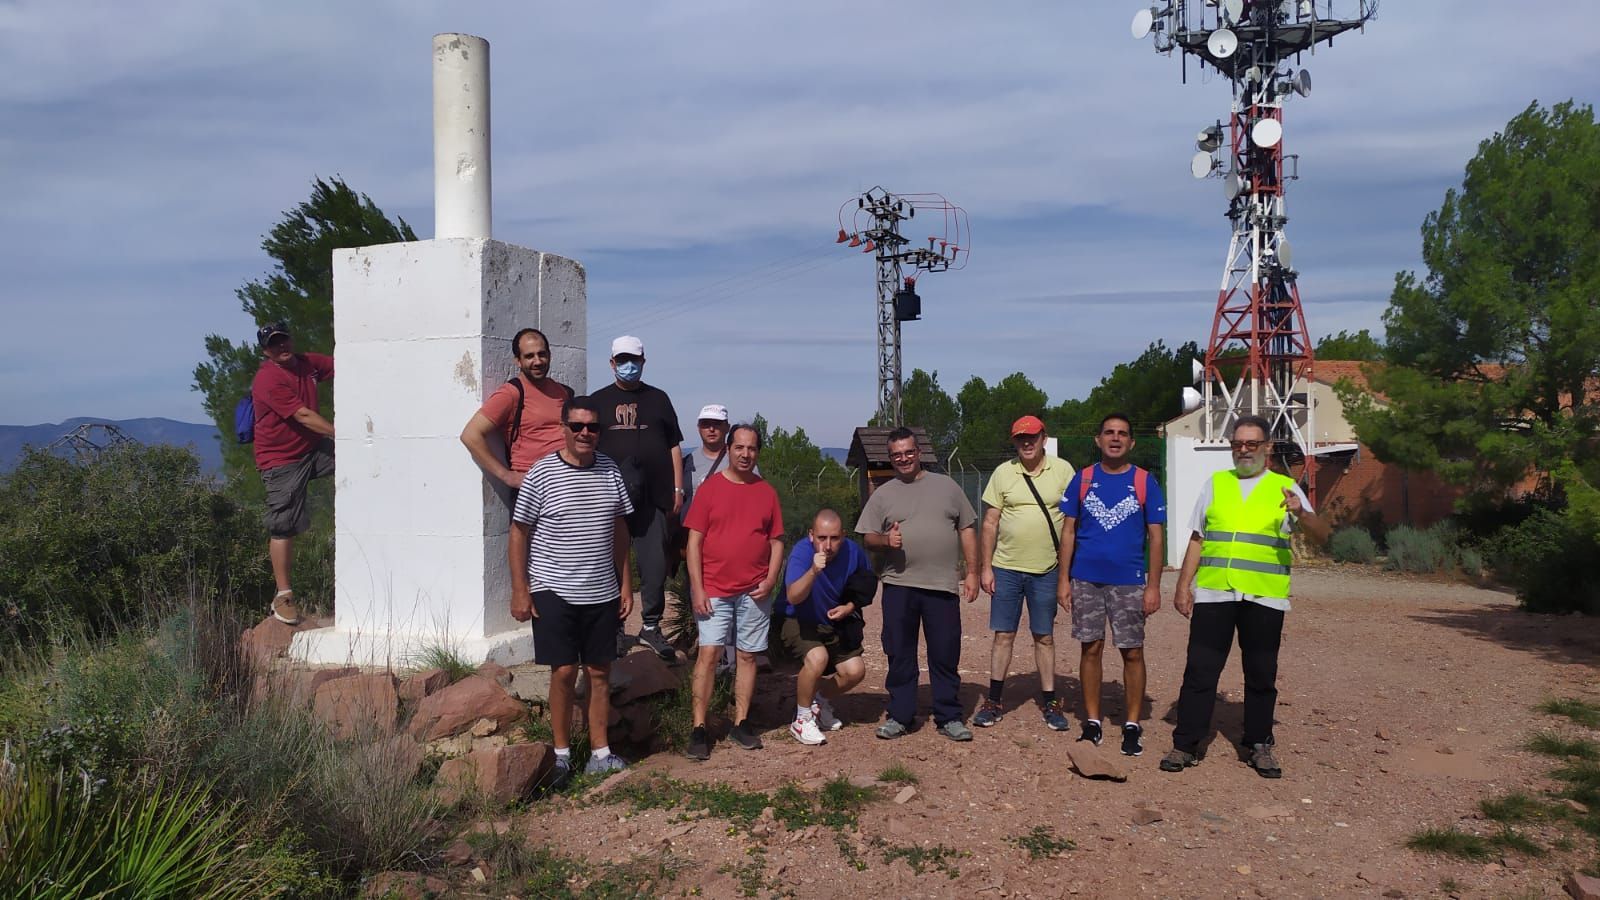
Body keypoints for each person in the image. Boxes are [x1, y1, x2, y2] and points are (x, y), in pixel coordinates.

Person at [1160, 415, 1330, 779]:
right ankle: (1186, 744)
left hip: (1264, 596)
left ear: (1267, 447)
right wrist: (1182, 586)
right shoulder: (1215, 484)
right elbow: (1198, 538)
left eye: (1252, 443)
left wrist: (1302, 512)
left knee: (1261, 673)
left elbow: (1322, 534)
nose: (1244, 450)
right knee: (1200, 670)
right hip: (1215, 592)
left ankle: (1259, 744)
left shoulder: (1285, 488)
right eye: (1237, 444)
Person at [508, 396, 634, 787]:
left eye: (592, 427)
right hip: (553, 587)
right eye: (577, 426)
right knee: (563, 671)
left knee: (599, 672)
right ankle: (561, 756)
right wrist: (520, 589)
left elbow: (619, 530)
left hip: (601, 589)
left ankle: (600, 753)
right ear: (563, 428)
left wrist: (626, 583)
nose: (585, 433)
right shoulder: (541, 473)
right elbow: (519, 532)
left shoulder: (610, 470)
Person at [857, 427, 980, 742]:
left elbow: (967, 528)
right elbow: (868, 537)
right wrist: (886, 540)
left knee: (945, 652)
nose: (903, 459)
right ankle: (900, 715)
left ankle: (949, 716)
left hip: (941, 584)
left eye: (908, 452)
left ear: (919, 452)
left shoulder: (947, 486)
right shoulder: (883, 494)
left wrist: (973, 572)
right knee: (899, 652)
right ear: (890, 458)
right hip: (900, 584)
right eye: (896, 455)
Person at [1056, 413, 1166, 757]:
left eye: (1122, 433)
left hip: (1129, 582)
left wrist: (1154, 586)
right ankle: (1093, 722)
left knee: (1132, 651)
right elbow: (1068, 531)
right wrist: (1063, 580)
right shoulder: (1083, 479)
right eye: (1109, 432)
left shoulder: (1145, 481)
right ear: (1098, 440)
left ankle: (1132, 725)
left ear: (1131, 442)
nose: (1115, 438)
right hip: (1086, 580)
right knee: (1090, 648)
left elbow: (1156, 537)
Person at [683, 424, 785, 760]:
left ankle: (741, 721)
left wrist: (770, 580)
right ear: (728, 449)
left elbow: (776, 541)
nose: (745, 454)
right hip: (714, 588)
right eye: (739, 447)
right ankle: (699, 727)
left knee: (748, 655)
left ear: (758, 452)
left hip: (754, 590)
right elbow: (694, 542)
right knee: (709, 654)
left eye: (751, 448)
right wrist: (698, 588)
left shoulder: (766, 492)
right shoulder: (710, 489)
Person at [974, 415, 1075, 732]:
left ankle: (1050, 702)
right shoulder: (1004, 473)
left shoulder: (1063, 471)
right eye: (1020, 438)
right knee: (1003, 635)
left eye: (1032, 436)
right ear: (1014, 442)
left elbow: (1074, 523)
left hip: (1047, 569)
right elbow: (990, 522)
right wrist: (986, 567)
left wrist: (1068, 573)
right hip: (1006, 568)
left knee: (1044, 636)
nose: (1027, 442)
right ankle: (993, 701)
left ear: (1044, 437)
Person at [593, 335, 685, 661]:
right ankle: (615, 628)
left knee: (654, 564)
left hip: (654, 496)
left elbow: (674, 445)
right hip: (610, 500)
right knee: (610, 564)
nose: (628, 365)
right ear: (612, 363)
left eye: (634, 360)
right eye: (622, 360)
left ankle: (650, 625)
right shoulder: (598, 401)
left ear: (643, 361)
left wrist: (677, 488)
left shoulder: (659, 399)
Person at [250, 322, 334, 626]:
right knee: (283, 524)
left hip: (312, 450)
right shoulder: (267, 379)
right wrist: (343, 434)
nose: (281, 346)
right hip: (281, 459)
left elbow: (349, 365)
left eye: (283, 339)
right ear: (265, 351)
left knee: (361, 462)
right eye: (273, 344)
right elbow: (303, 415)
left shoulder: (307, 363)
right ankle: (283, 595)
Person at [780, 509, 875, 745]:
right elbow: (793, 597)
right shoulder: (802, 553)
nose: (828, 545)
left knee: (855, 671)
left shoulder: (853, 551)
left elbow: (867, 584)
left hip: (832, 621)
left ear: (843, 536)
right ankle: (801, 719)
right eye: (822, 538)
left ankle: (818, 703)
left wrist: (849, 607)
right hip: (797, 619)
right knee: (818, 658)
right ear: (811, 535)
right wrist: (813, 571)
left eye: (834, 538)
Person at [460, 327, 573, 490]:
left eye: (542, 354)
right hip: (535, 488)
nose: (538, 361)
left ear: (549, 355)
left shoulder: (563, 392)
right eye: (529, 356)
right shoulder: (511, 393)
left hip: (568, 483)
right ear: (518, 361)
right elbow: (470, 435)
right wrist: (507, 476)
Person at [680, 404, 740, 674]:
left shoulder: (737, 458)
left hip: (731, 546)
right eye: (706, 424)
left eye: (717, 424)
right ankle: (714, 664)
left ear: (726, 427)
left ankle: (731, 664)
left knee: (733, 604)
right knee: (701, 601)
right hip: (697, 546)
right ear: (698, 427)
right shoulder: (688, 462)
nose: (711, 429)